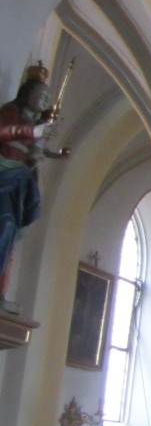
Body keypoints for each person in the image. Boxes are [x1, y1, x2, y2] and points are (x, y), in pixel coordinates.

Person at [0, 69, 66, 314]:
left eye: (47, 98)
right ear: (27, 94)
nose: (45, 101)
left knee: (12, 238)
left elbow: (38, 151)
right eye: (41, 95)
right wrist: (32, 133)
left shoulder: (35, 123)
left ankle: (1, 293)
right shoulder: (10, 112)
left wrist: (56, 153)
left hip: (21, 182)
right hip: (4, 177)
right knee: (5, 225)